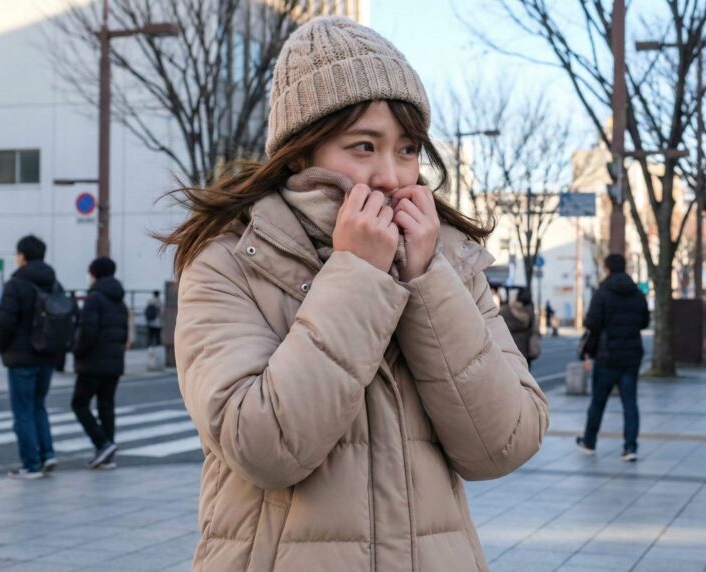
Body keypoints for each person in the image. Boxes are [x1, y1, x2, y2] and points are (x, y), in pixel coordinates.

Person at [160, 17, 549, 570]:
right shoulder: (229, 260)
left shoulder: (447, 262)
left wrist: (429, 283)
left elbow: (504, 443)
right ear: (299, 153)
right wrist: (356, 277)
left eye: (409, 149)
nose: (392, 176)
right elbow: (262, 445)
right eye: (363, 146)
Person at [0, 235, 68, 480]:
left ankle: (31, 464)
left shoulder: (16, 283)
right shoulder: (53, 283)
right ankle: (47, 454)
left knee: (23, 411)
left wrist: (2, 347)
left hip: (21, 358)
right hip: (46, 355)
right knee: (39, 406)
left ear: (22, 256)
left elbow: (5, 322)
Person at [576, 254, 650, 462]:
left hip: (606, 355)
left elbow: (592, 323)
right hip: (631, 355)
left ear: (608, 268)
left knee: (598, 402)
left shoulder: (602, 292)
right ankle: (630, 447)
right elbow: (644, 322)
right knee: (630, 403)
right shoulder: (637, 293)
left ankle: (589, 442)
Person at [72, 257, 129, 470]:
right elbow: (124, 334)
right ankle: (107, 453)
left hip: (92, 362)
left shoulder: (94, 298)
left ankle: (102, 443)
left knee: (79, 403)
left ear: (94, 274)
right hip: (114, 362)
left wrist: (77, 352)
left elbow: (87, 332)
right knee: (106, 405)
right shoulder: (120, 301)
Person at [501, 287, 540, 365]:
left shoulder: (508, 310)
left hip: (517, 351)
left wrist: (511, 305)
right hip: (519, 351)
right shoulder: (528, 309)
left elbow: (525, 320)